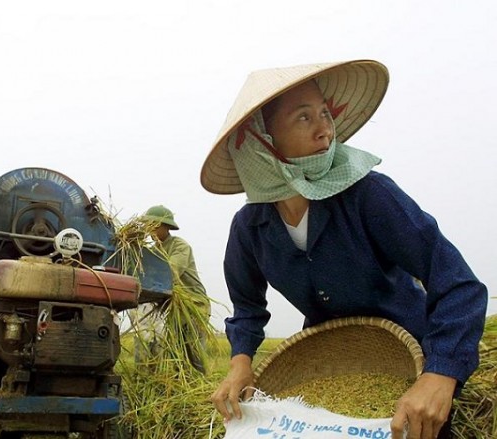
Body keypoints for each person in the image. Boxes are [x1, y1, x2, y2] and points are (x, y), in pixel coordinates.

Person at [200, 59, 488, 439]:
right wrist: (240, 362)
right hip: (329, 364)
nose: (325, 130)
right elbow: (248, 308)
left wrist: (440, 373)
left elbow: (456, 282)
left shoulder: (369, 196)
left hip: (412, 358)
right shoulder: (250, 227)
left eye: (324, 114)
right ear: (261, 143)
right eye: (304, 118)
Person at [129, 204, 211, 374]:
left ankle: (203, 390)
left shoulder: (180, 246)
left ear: (165, 227)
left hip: (193, 305)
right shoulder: (152, 251)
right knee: (175, 356)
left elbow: (170, 273)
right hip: (170, 308)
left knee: (194, 354)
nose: (150, 229)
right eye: (148, 226)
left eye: (154, 225)